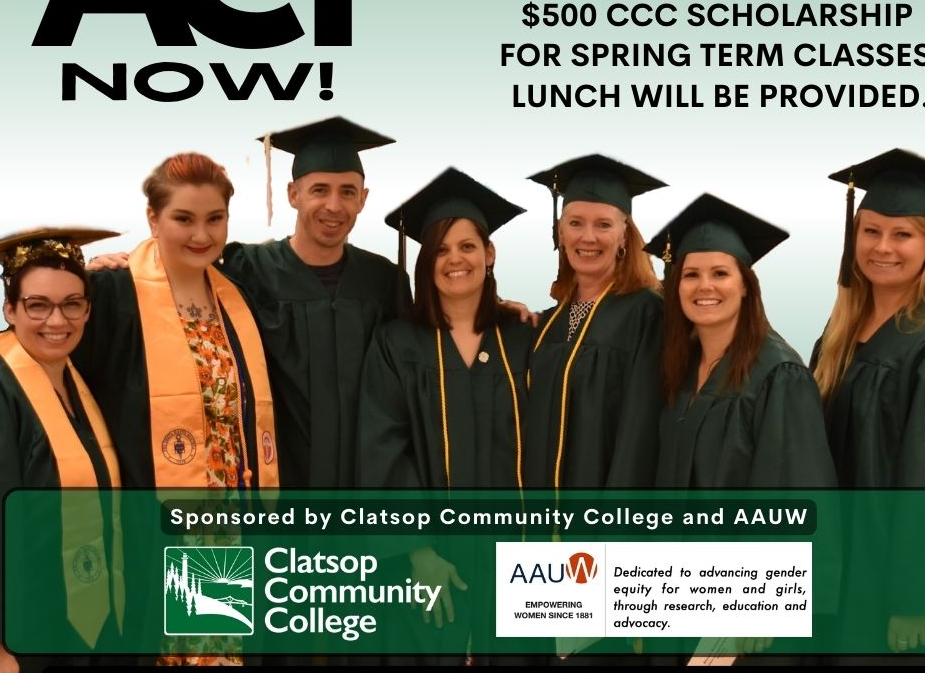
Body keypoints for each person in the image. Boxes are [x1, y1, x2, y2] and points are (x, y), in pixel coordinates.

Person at [812, 148, 925, 658]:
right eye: (871, 231)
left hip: (889, 582)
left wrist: (915, 597)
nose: (882, 247)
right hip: (836, 568)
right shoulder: (839, 333)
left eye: (902, 234)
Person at [358, 168, 529, 662]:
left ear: (489, 254)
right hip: (429, 564)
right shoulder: (397, 344)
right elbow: (383, 447)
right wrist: (418, 553)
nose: (456, 259)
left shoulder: (524, 339)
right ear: (426, 262)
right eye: (441, 249)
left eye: (468, 246)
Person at [220, 116, 411, 489]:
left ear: (364, 198)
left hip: (366, 492)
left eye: (348, 191)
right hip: (279, 486)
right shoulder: (248, 270)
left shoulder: (385, 281)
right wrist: (125, 265)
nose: (334, 206)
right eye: (320, 189)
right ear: (294, 194)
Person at [74, 153, 279, 492]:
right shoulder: (112, 295)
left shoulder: (236, 299)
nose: (201, 235)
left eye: (215, 219)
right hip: (148, 511)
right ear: (153, 219)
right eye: (184, 219)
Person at [0, 229, 123, 673]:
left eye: (71, 304)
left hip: (84, 617)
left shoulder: (74, 377)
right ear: (9, 309)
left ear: (87, 309)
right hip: (26, 635)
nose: (56, 321)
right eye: (37, 305)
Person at [649, 193, 836, 489]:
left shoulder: (780, 377)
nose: (704, 286)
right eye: (691, 274)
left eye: (720, 273)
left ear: (745, 286)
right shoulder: (682, 364)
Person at [523, 154, 665, 491]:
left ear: (624, 235)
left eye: (603, 224)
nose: (588, 237)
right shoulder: (550, 322)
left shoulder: (648, 313)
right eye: (575, 223)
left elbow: (639, 436)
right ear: (560, 231)